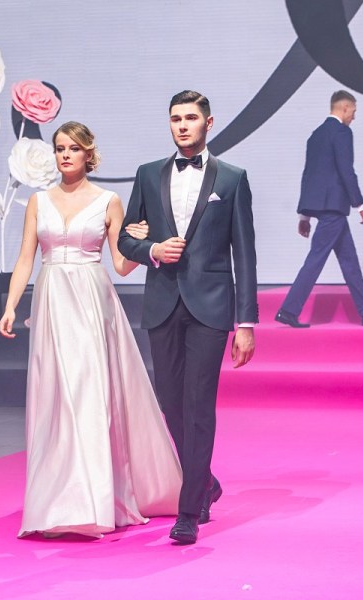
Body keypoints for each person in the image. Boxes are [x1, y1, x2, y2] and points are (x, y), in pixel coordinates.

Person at [0, 121, 181, 539]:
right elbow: (26, 258)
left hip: (91, 302)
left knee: (89, 393)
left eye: (73, 148)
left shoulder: (108, 201)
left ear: (88, 154)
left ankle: (94, 500)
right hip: (51, 301)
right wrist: (10, 305)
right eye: (60, 148)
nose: (65, 155)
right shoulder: (38, 201)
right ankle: (58, 500)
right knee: (55, 396)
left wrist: (142, 243)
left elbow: (120, 264)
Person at [118, 91, 258, 545]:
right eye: (176, 118)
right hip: (161, 302)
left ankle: (188, 511)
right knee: (170, 403)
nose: (182, 125)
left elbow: (245, 254)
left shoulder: (232, 179)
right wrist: (152, 250)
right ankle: (204, 482)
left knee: (198, 406)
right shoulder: (147, 174)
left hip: (210, 307)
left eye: (191, 118)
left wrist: (246, 323)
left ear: (208, 123)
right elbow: (125, 239)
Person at [275, 91, 363, 328]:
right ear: (345, 108)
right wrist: (360, 205)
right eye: (354, 112)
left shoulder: (316, 135)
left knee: (349, 262)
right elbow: (346, 170)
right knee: (316, 258)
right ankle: (288, 310)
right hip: (334, 207)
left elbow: (309, 174)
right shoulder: (341, 132)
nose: (354, 117)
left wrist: (304, 215)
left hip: (324, 206)